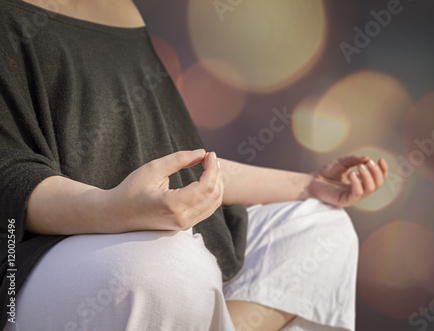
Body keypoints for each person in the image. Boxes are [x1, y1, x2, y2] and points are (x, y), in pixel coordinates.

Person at [0, 0, 388, 330]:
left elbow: (180, 160)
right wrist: (114, 209)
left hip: (151, 239)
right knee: (172, 268)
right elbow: (11, 179)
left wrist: (310, 184)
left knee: (323, 227)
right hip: (32, 261)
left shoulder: (122, 9)